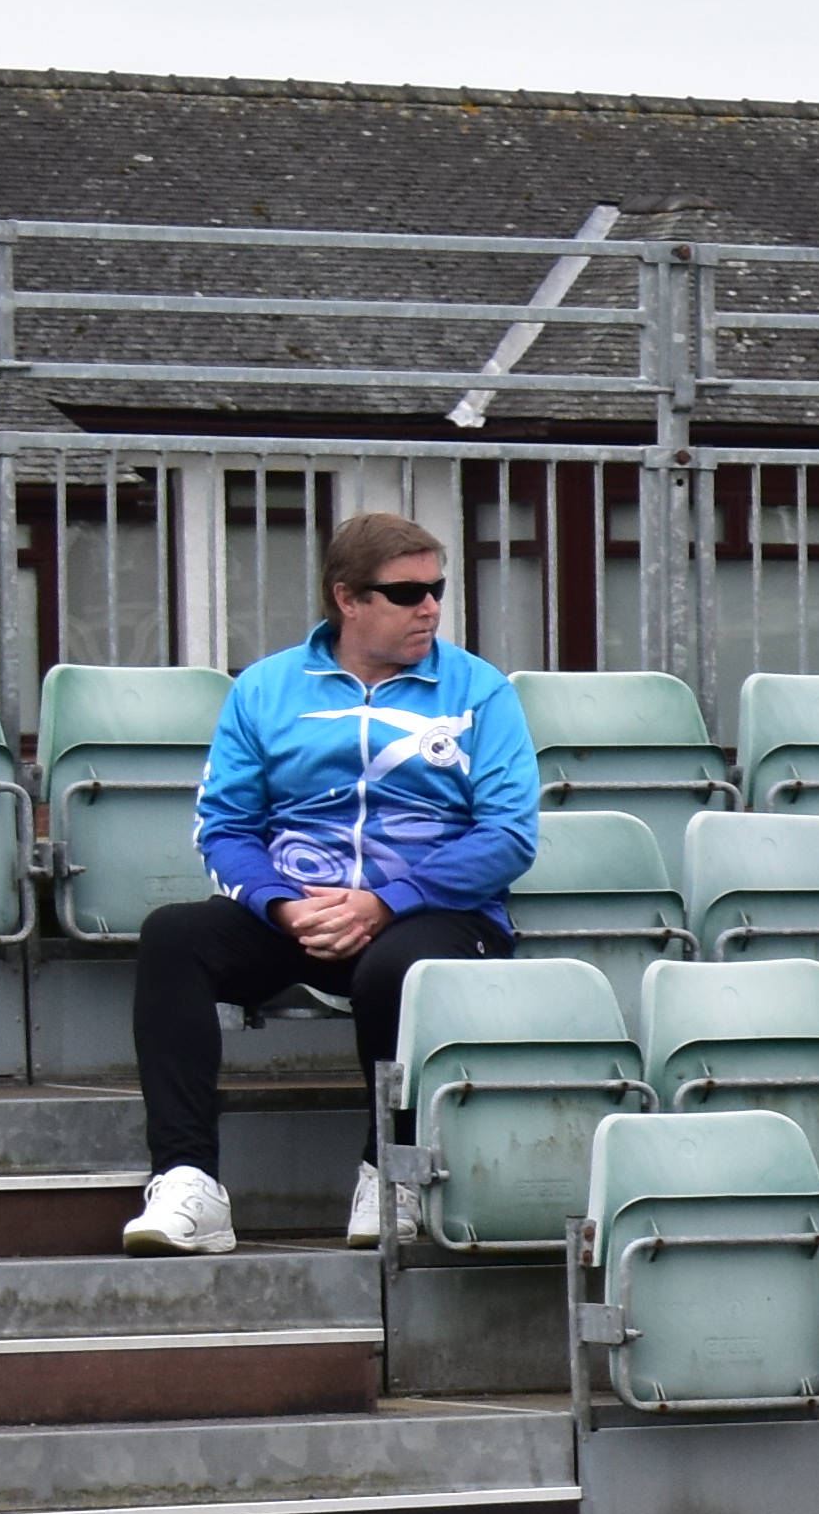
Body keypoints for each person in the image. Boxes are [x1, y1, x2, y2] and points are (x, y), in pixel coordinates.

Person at [124, 510, 536, 1256]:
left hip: (436, 910)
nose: (431, 608)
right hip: (302, 910)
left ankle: (390, 1171)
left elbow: (508, 837)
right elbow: (224, 826)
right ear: (348, 599)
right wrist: (281, 906)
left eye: (437, 589)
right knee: (173, 937)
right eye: (408, 593)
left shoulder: (480, 691)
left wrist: (385, 903)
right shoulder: (267, 688)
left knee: (396, 969)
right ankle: (188, 1181)